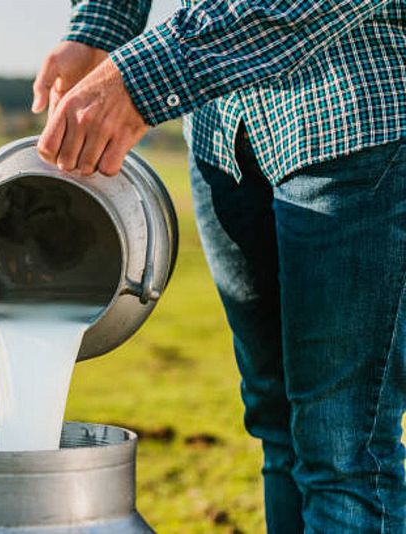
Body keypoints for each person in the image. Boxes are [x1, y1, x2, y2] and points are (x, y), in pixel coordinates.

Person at [32, 1, 405, 532]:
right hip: (223, 133)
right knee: (278, 426)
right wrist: (98, 28)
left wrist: (139, 77)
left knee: (342, 447)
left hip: (349, 116)